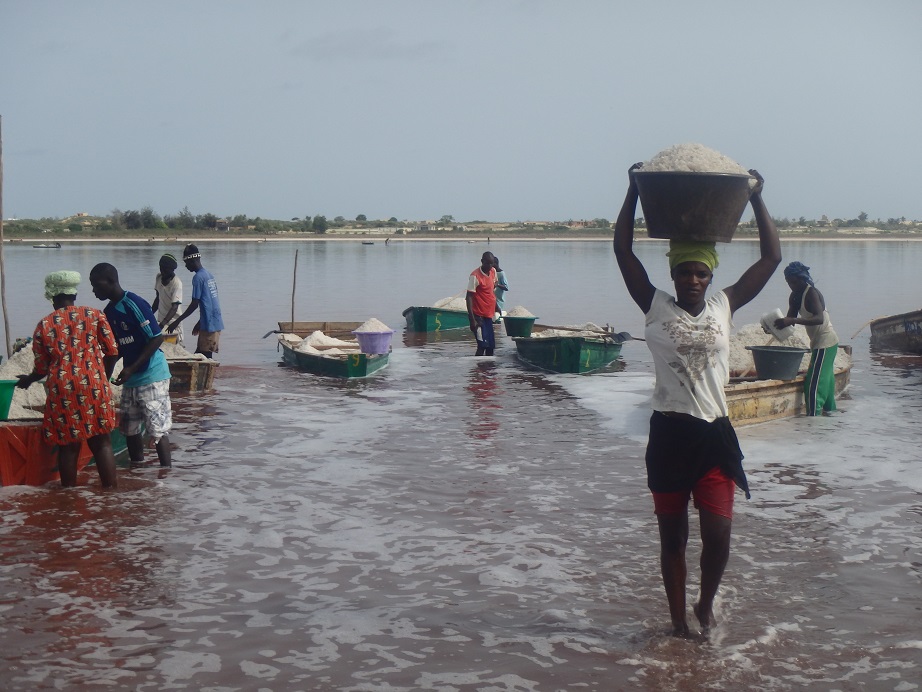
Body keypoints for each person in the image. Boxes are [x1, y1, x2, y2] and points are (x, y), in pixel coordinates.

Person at [613, 163, 781, 637]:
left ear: (710, 275)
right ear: (674, 273)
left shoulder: (724, 305)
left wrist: (755, 198)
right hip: (669, 434)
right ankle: (676, 623)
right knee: (673, 540)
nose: (691, 279)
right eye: (684, 271)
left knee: (719, 537)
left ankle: (704, 605)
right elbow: (623, 250)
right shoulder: (653, 304)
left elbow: (770, 259)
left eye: (700, 272)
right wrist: (631, 193)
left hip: (713, 434)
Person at [15, 271, 120, 488]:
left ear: (52, 296)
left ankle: (69, 499)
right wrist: (102, 378)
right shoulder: (95, 315)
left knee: (68, 445)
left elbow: (42, 368)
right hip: (94, 384)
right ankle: (111, 494)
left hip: (63, 389)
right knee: (101, 442)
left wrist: (28, 380)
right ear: (74, 293)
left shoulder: (44, 325)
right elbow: (112, 351)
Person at [90, 262, 173, 468]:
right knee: (129, 429)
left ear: (110, 281)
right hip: (131, 379)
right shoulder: (108, 312)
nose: (94, 291)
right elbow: (113, 349)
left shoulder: (133, 303)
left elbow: (156, 338)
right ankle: (137, 474)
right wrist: (102, 379)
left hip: (152, 375)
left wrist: (132, 368)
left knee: (157, 430)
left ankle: (166, 475)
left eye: (97, 285)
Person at [774, 262, 839, 416]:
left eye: (794, 282)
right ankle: (830, 417)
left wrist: (793, 321)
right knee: (826, 383)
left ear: (802, 279)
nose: (791, 285)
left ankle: (813, 421)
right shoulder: (795, 296)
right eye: (788, 282)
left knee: (813, 385)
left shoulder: (812, 294)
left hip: (826, 342)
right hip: (817, 343)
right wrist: (773, 326)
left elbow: (819, 319)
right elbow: (789, 319)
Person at [167, 244, 224, 359]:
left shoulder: (198, 278)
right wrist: (200, 322)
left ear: (192, 260)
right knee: (202, 356)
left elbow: (194, 304)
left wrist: (176, 321)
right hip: (214, 323)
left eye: (186, 263)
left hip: (209, 326)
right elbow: (210, 303)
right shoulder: (209, 275)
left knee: (203, 358)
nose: (186, 266)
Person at [466, 251, 497, 356]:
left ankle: (489, 371)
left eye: (491, 263)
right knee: (482, 345)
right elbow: (469, 297)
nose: (489, 266)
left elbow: (492, 289)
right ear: (482, 261)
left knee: (491, 347)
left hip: (488, 315)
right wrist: (472, 320)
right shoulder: (475, 276)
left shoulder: (493, 271)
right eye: (487, 263)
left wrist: (496, 306)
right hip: (478, 316)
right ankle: (477, 371)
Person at [152, 253, 183, 345]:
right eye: (161, 268)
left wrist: (162, 325)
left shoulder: (177, 284)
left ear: (172, 270)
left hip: (173, 323)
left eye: (165, 269)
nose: (163, 271)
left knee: (175, 346)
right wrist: (149, 314)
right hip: (161, 320)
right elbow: (158, 298)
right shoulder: (158, 277)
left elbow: (174, 307)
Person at [493, 255, 510, 320]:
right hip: (492, 298)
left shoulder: (501, 273)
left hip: (499, 300)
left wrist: (497, 285)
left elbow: (506, 287)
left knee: (497, 315)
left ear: (496, 264)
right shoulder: (492, 272)